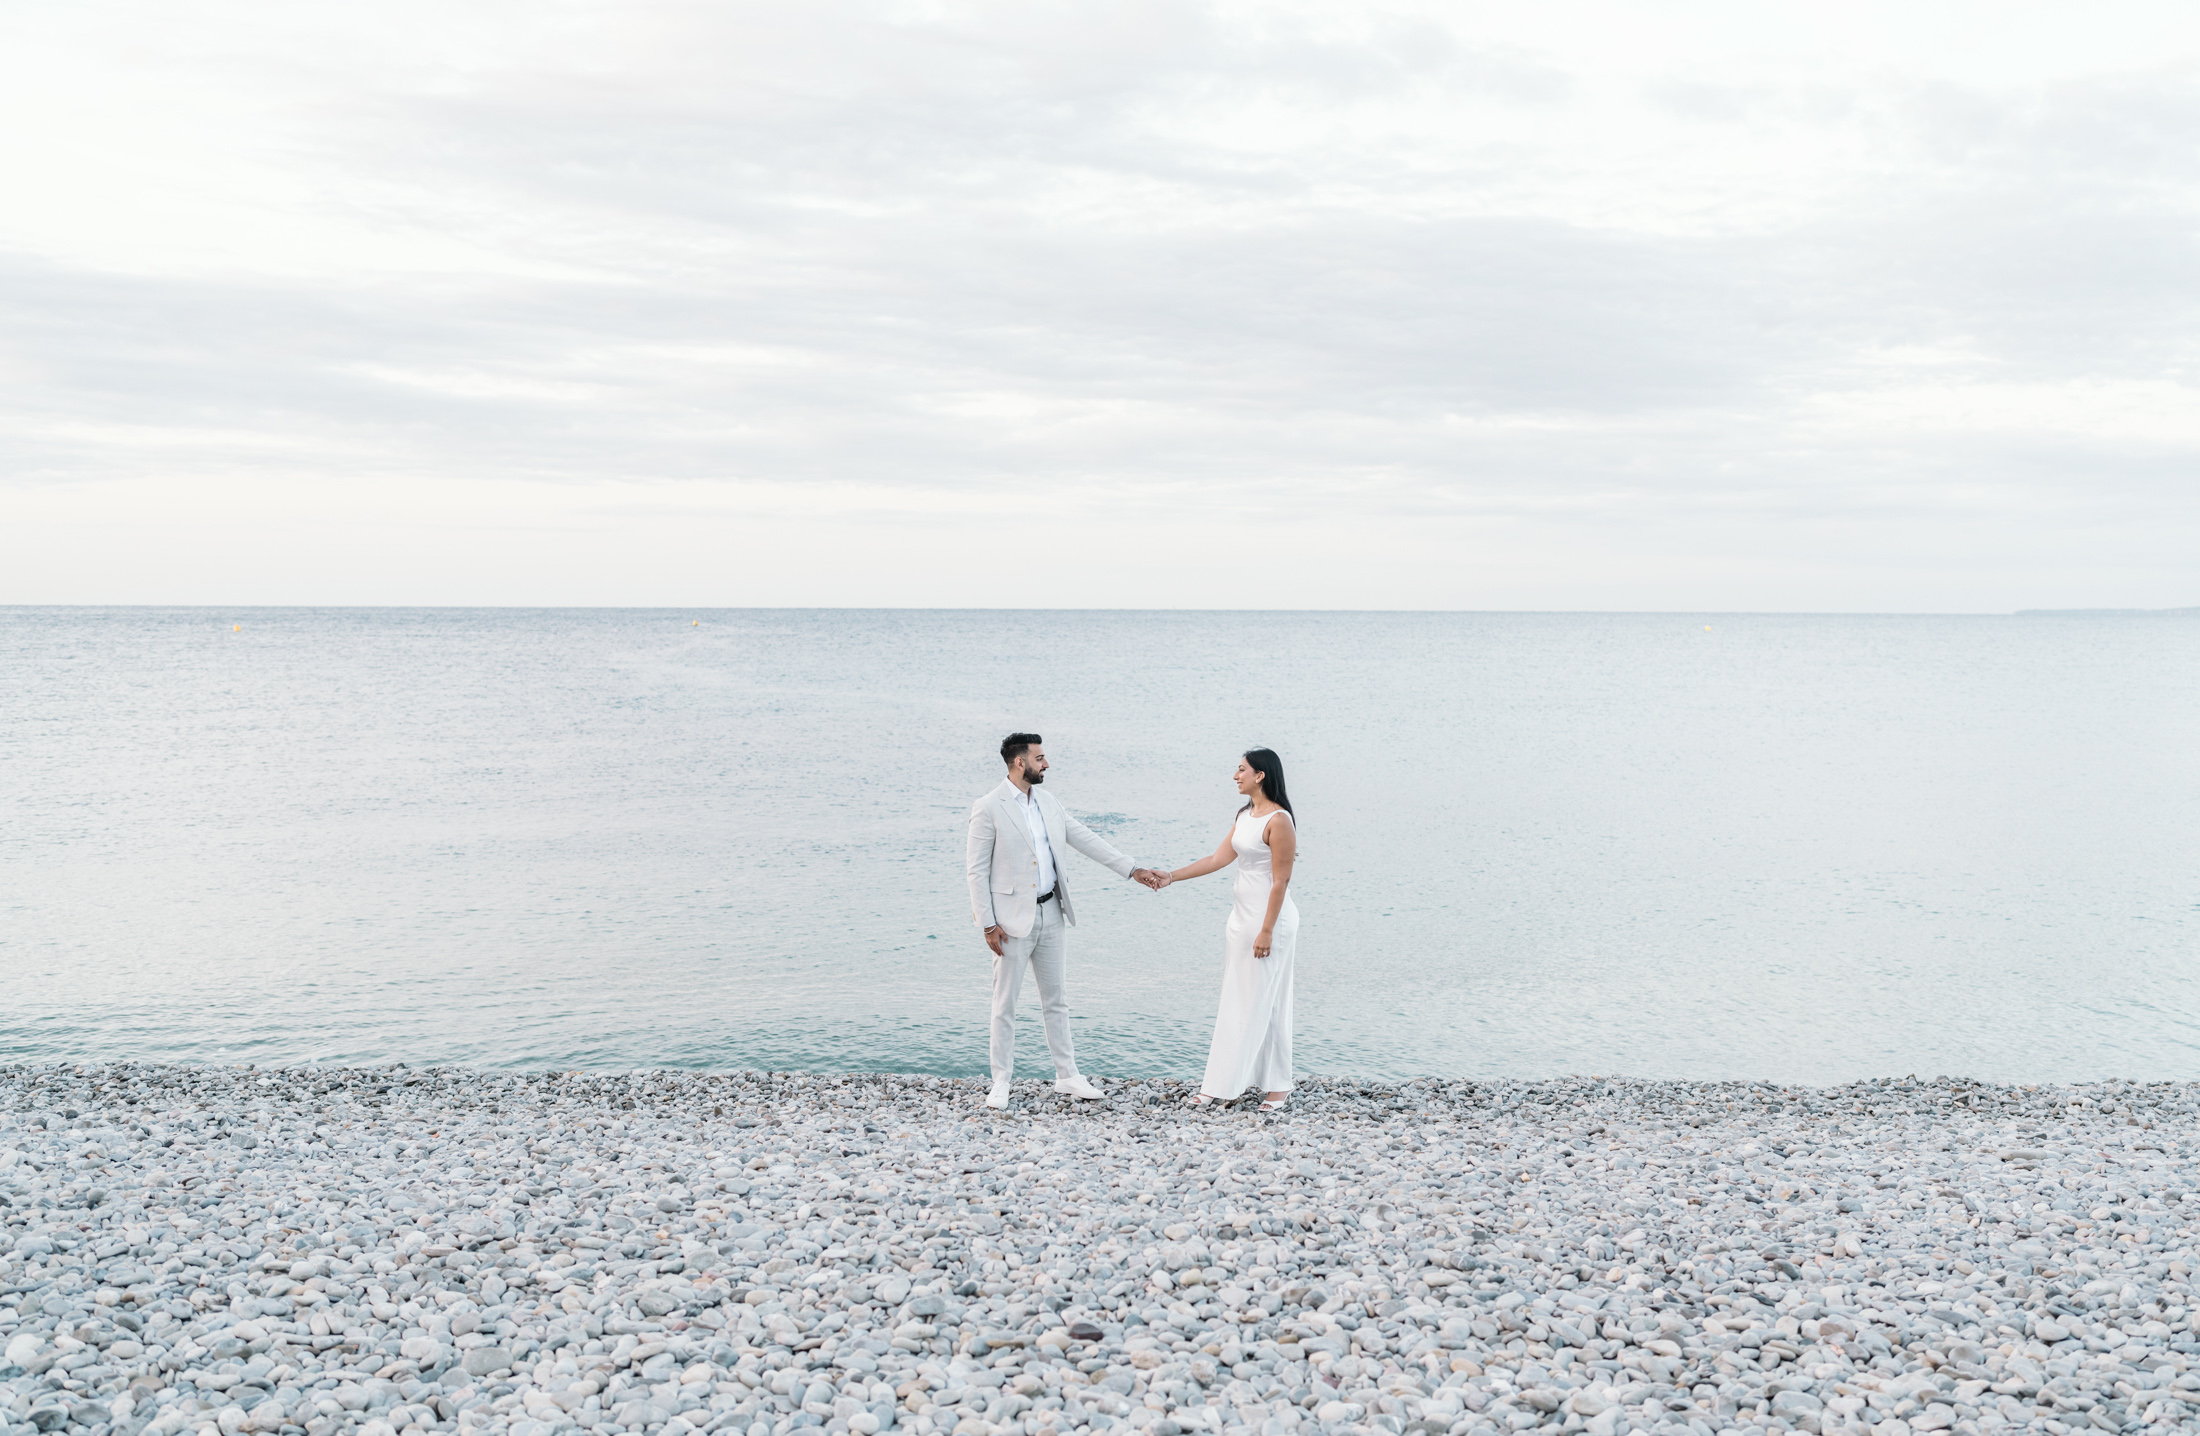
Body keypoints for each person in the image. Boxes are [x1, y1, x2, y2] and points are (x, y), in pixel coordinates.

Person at [966, 732, 1166, 1110]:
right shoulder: (988, 807)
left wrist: (1133, 869)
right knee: (1004, 1004)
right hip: (1009, 923)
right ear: (1020, 762)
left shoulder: (1049, 802)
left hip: (1052, 912)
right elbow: (975, 871)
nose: (1046, 764)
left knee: (1056, 1000)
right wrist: (988, 924)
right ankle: (1001, 1081)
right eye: (1040, 758)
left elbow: (1086, 839)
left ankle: (1067, 1076)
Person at [1148, 748, 1298, 1111]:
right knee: (1237, 998)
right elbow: (1217, 859)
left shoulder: (1280, 821)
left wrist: (1266, 931)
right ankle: (1222, 1082)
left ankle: (1276, 1085)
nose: (1235, 775)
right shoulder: (1245, 815)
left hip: (1268, 921)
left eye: (1241, 769)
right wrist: (1172, 876)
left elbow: (1280, 882)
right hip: (1240, 919)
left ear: (1260, 775)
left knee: (1268, 1001)